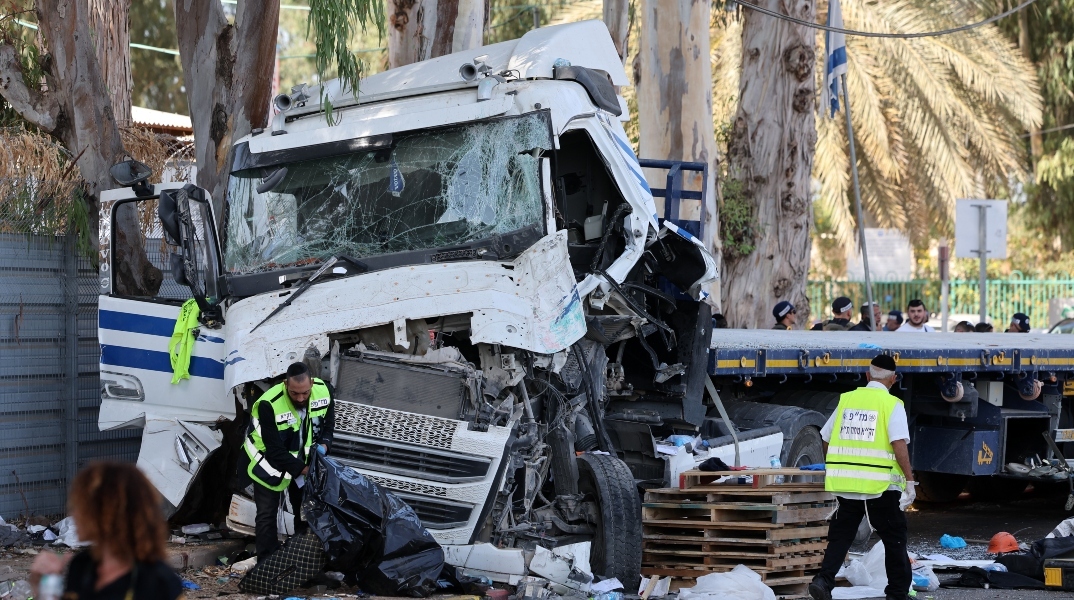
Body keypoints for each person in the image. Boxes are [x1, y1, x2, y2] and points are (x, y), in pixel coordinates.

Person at [809, 355, 915, 600]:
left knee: (841, 537)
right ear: (893, 379)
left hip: (846, 486)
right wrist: (909, 481)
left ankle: (823, 581)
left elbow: (825, 438)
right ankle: (898, 593)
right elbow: (898, 443)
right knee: (894, 538)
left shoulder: (847, 400)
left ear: (867, 376)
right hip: (880, 487)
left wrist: (837, 467)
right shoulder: (892, 404)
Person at [29, 462, 185, 599]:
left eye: (81, 506)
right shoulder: (81, 566)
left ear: (107, 513)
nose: (74, 513)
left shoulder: (160, 582)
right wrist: (43, 589)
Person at [241, 361, 335, 560]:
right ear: (285, 385)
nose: (301, 398)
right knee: (267, 515)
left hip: (302, 462)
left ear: (311, 384)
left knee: (306, 513)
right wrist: (305, 470)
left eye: (305, 393)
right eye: (295, 393)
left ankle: (305, 565)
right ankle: (266, 567)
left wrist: (324, 446)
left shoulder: (324, 391)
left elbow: (328, 427)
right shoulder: (269, 404)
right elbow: (275, 450)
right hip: (267, 463)